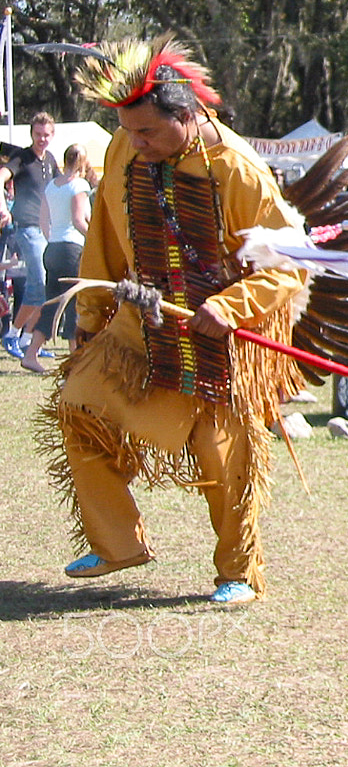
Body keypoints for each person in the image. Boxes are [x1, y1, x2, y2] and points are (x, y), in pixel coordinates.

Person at [39, 37, 310, 605]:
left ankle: (238, 570)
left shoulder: (238, 170)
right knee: (79, 404)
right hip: (141, 320)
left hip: (221, 333)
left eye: (147, 133)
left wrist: (228, 306)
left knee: (222, 451)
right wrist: (91, 317)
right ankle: (117, 543)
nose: (134, 143)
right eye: (128, 131)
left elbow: (289, 264)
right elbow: (107, 233)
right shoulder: (124, 148)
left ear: (186, 117)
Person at [0, 112, 61, 361]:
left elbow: (58, 188)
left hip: (45, 230)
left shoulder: (51, 160)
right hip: (27, 229)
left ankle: (27, 339)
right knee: (37, 285)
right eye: (38, 134)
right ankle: (12, 335)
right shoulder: (21, 158)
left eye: (46, 135)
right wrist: (3, 206)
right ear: (31, 134)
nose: (42, 139)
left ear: (53, 135)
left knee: (46, 288)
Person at [32, 143, 94, 370]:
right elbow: (79, 220)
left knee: (51, 303)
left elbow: (43, 220)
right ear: (83, 161)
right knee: (73, 302)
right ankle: (75, 357)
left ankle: (31, 353)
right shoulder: (79, 185)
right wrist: (93, 239)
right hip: (72, 248)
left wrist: (52, 239)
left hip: (53, 247)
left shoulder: (51, 186)